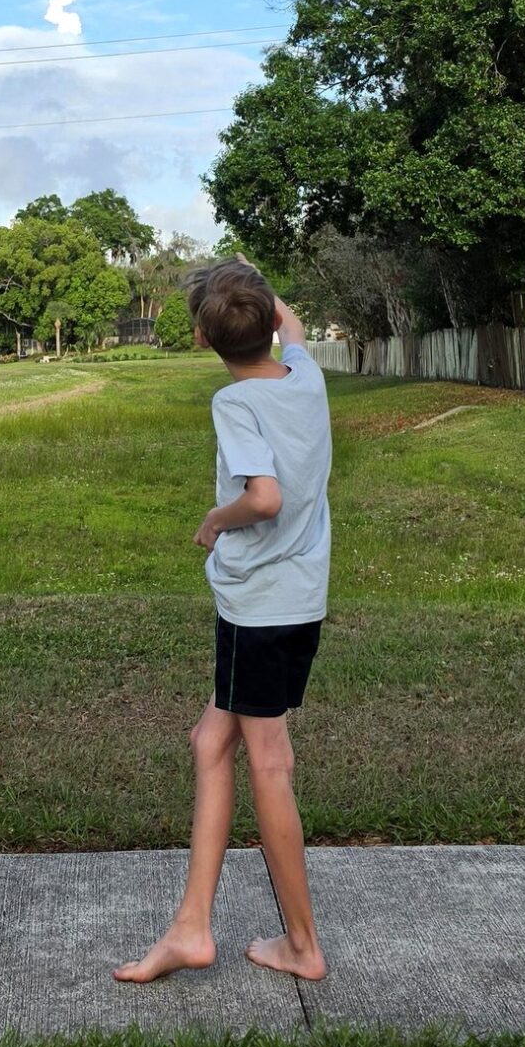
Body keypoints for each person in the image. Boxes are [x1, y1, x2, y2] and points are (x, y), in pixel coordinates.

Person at [116, 260, 330, 988]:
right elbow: (293, 326)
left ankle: (302, 944)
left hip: (258, 606)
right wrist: (263, 286)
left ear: (202, 337)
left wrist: (216, 517)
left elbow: (263, 498)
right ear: (271, 320)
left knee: (266, 759)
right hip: (296, 599)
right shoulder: (305, 373)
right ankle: (190, 928)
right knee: (210, 739)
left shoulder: (234, 402)